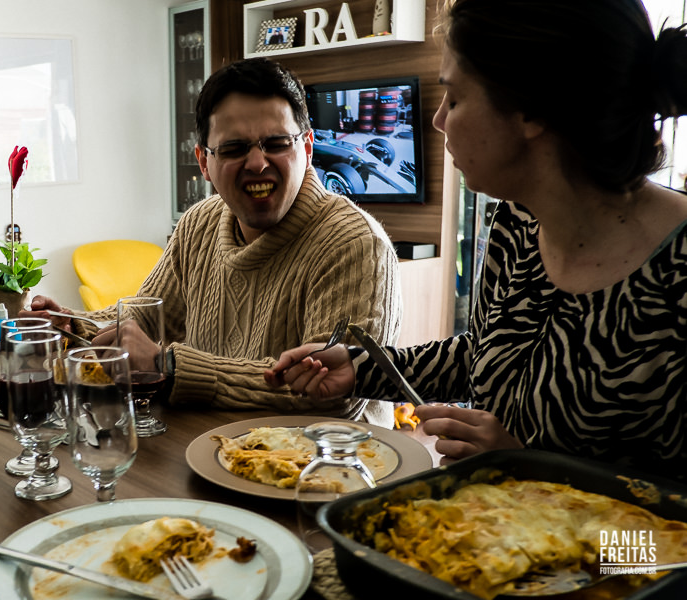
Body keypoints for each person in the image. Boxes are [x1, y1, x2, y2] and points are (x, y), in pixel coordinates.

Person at [266, 0, 687, 479]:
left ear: (531, 108)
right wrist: (360, 368)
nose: (438, 120)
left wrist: (534, 469)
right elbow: (487, 353)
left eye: (454, 98)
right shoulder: (516, 222)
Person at [24, 57, 401, 422]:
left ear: (306, 147)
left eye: (276, 143)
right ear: (204, 162)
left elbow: (333, 396)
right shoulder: (199, 223)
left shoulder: (356, 245)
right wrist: (72, 325)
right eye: (234, 149)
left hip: (327, 462)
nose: (258, 163)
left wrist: (168, 366)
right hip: (204, 447)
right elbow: (148, 317)